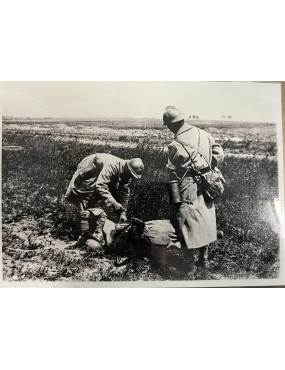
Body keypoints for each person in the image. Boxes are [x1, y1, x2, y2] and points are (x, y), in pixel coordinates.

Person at [163, 106, 224, 278]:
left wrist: (173, 201)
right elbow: (219, 153)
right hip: (208, 185)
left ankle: (188, 267)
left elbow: (171, 174)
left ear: (171, 125)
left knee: (181, 222)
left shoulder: (174, 145)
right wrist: (207, 169)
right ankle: (203, 260)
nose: (169, 128)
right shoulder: (203, 134)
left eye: (168, 125)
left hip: (187, 188)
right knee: (206, 220)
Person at [65, 153, 144, 246]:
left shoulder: (126, 174)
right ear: (127, 167)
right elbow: (101, 186)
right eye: (131, 174)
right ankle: (83, 235)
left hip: (100, 173)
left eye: (133, 176)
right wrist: (114, 203)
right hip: (89, 169)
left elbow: (124, 192)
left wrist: (123, 213)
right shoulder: (112, 165)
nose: (131, 177)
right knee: (85, 198)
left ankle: (90, 227)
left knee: (101, 196)